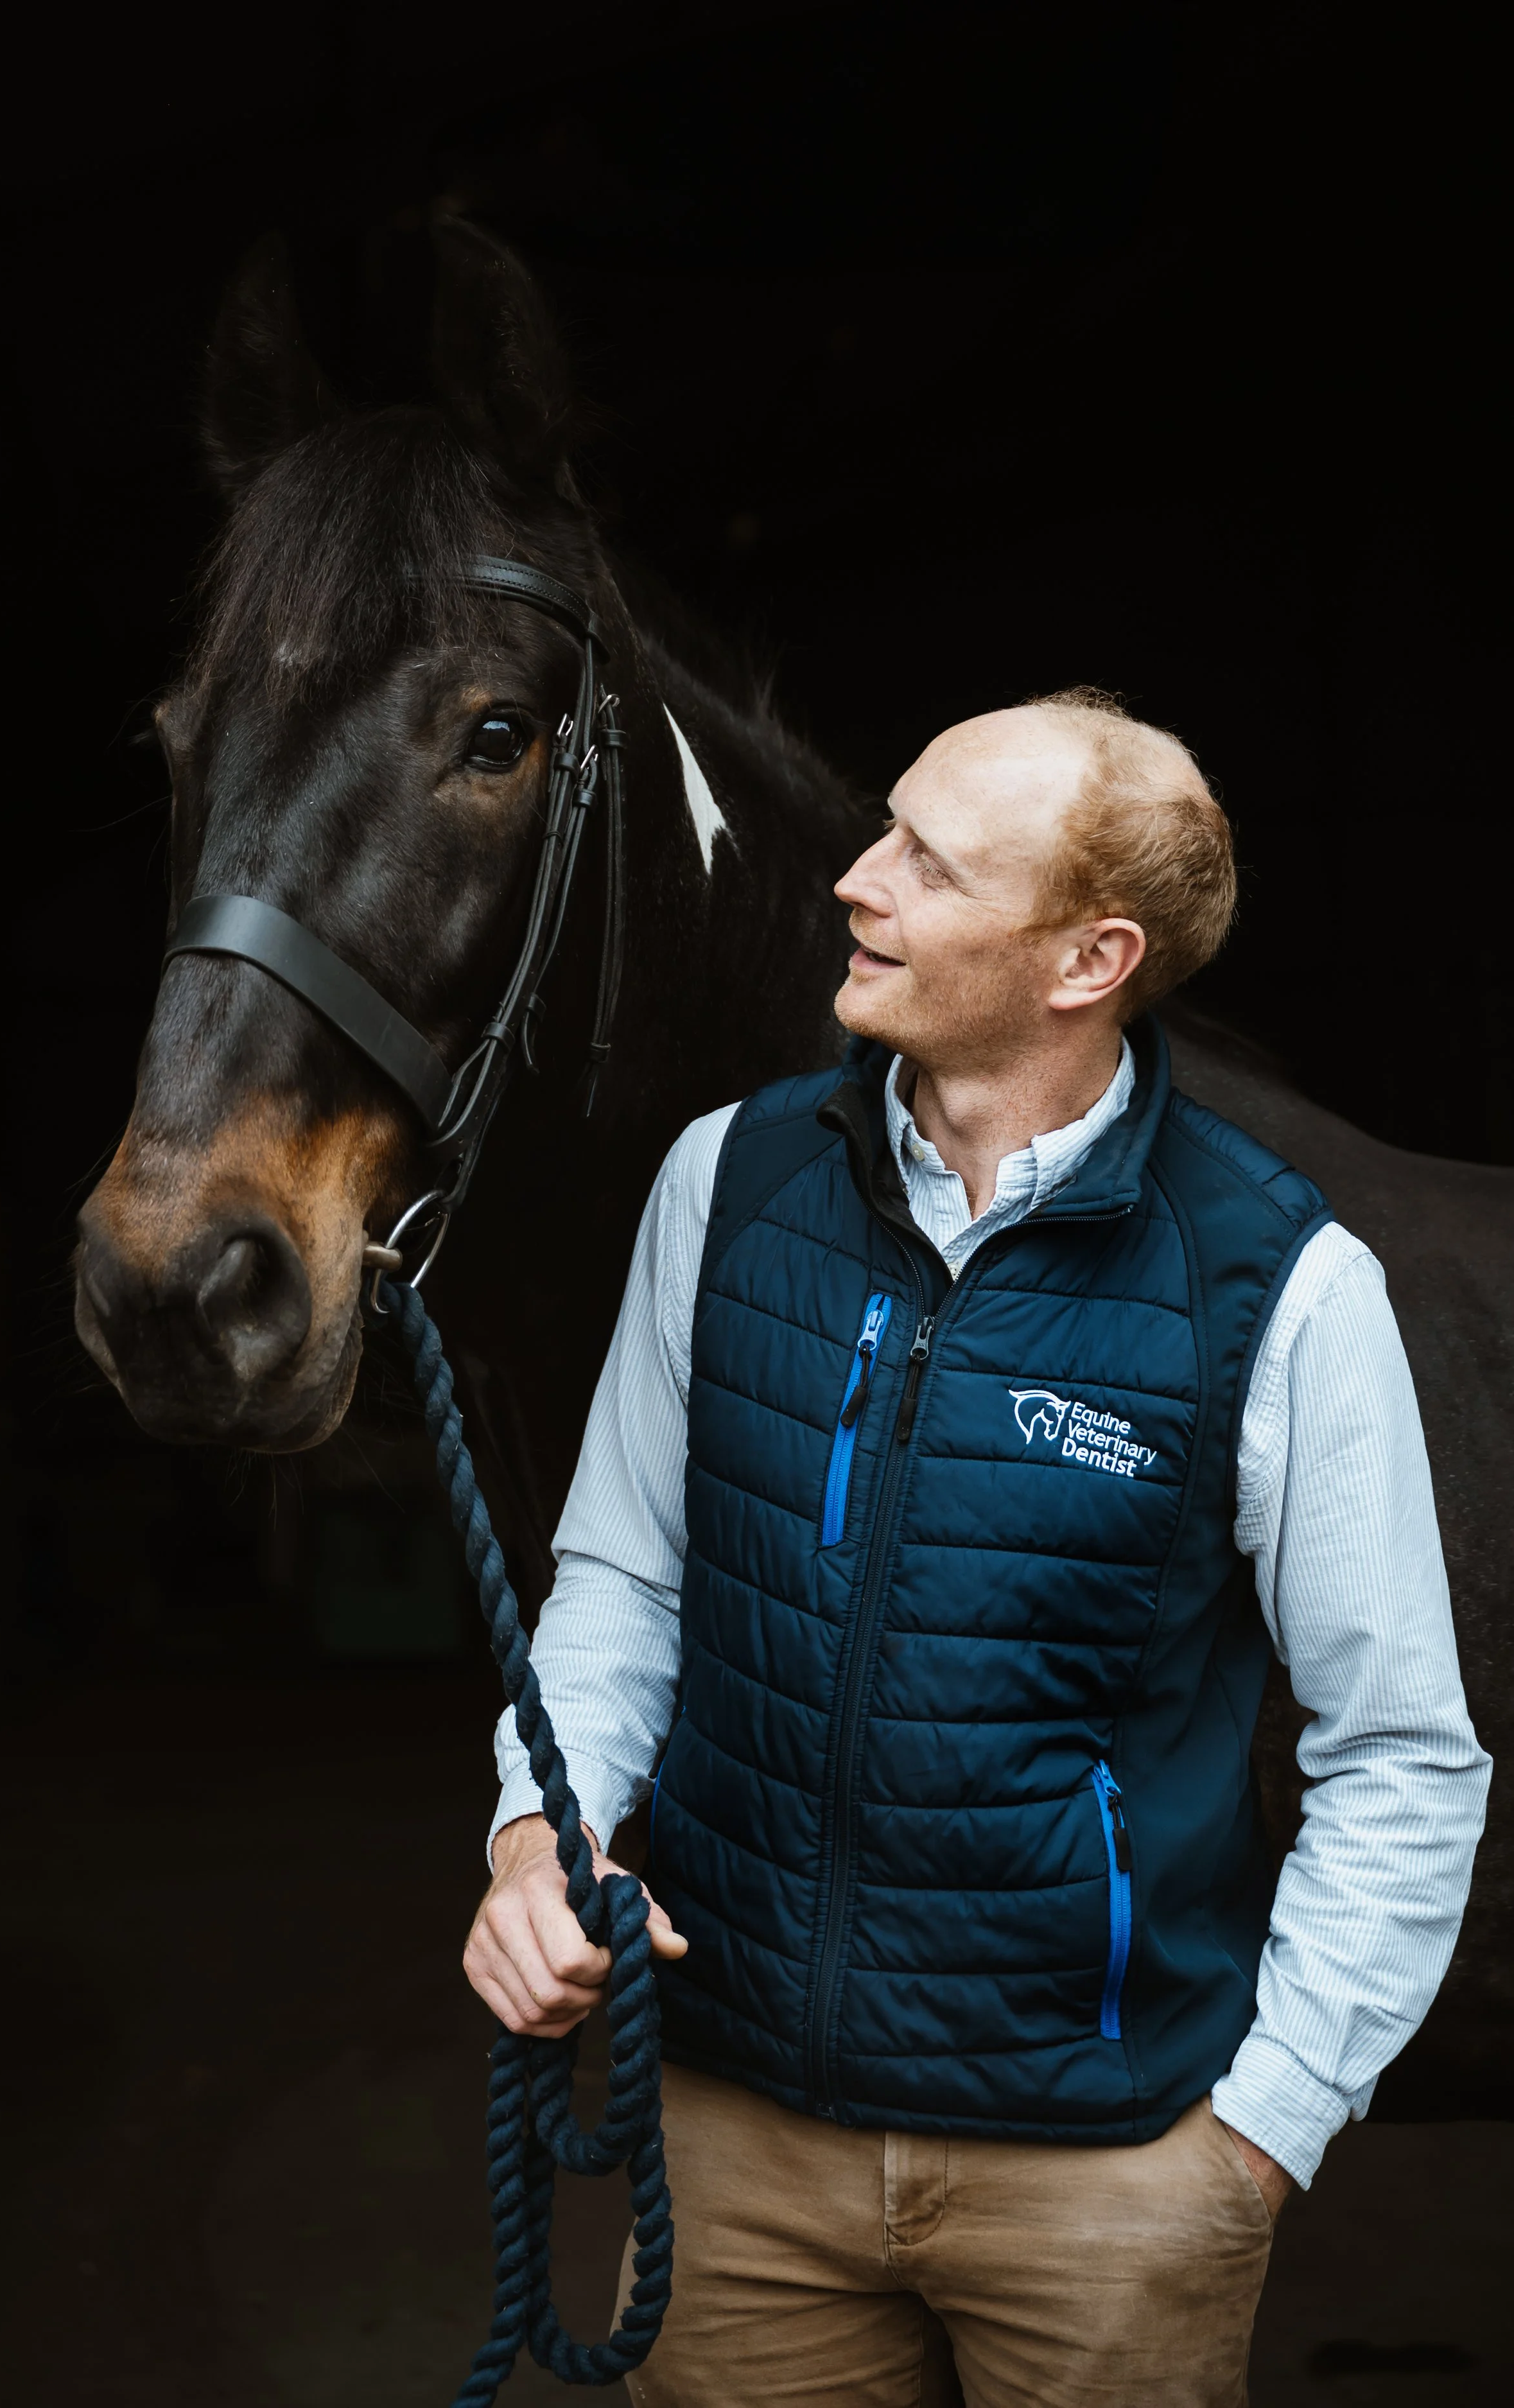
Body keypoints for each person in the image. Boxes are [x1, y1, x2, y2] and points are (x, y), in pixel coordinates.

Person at [464, 690, 1488, 2407]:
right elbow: (627, 1584)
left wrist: (1259, 2131)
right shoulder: (724, 1183)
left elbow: (1399, 1756)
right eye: (882, 828)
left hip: (1105, 2177)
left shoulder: (1276, 1284)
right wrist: (528, 1833)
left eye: (928, 865)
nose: (852, 882)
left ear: (1086, 960)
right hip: (733, 2153)